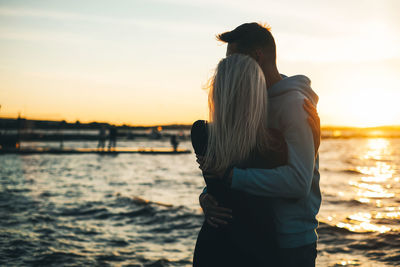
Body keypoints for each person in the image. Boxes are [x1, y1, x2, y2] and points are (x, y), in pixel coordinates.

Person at [197, 23, 321, 267]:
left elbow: (298, 182)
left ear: (256, 57)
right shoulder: (249, 102)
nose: (229, 69)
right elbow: (239, 159)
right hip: (257, 234)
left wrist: (231, 178)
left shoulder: (295, 106)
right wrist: (208, 195)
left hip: (290, 240)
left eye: (233, 60)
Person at [192, 54, 288, 266]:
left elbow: (221, 186)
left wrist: (204, 197)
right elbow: (288, 186)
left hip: (213, 244)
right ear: (256, 92)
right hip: (259, 247)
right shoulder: (273, 143)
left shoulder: (201, 134)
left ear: (218, 91)